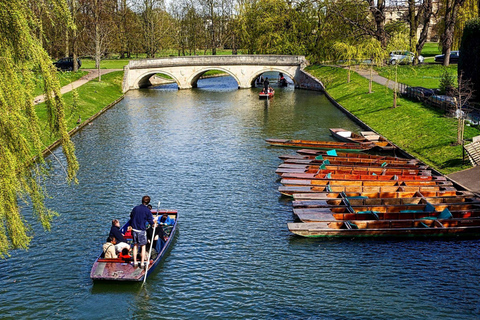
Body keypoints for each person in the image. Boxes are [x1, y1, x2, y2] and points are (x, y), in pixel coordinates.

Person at [130, 195, 155, 268]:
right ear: (148, 202)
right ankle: (141, 263)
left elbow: (131, 216)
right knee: (143, 246)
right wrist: (154, 224)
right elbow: (150, 221)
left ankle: (134, 262)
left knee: (135, 245)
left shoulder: (135, 208)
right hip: (141, 230)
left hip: (134, 229)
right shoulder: (147, 210)